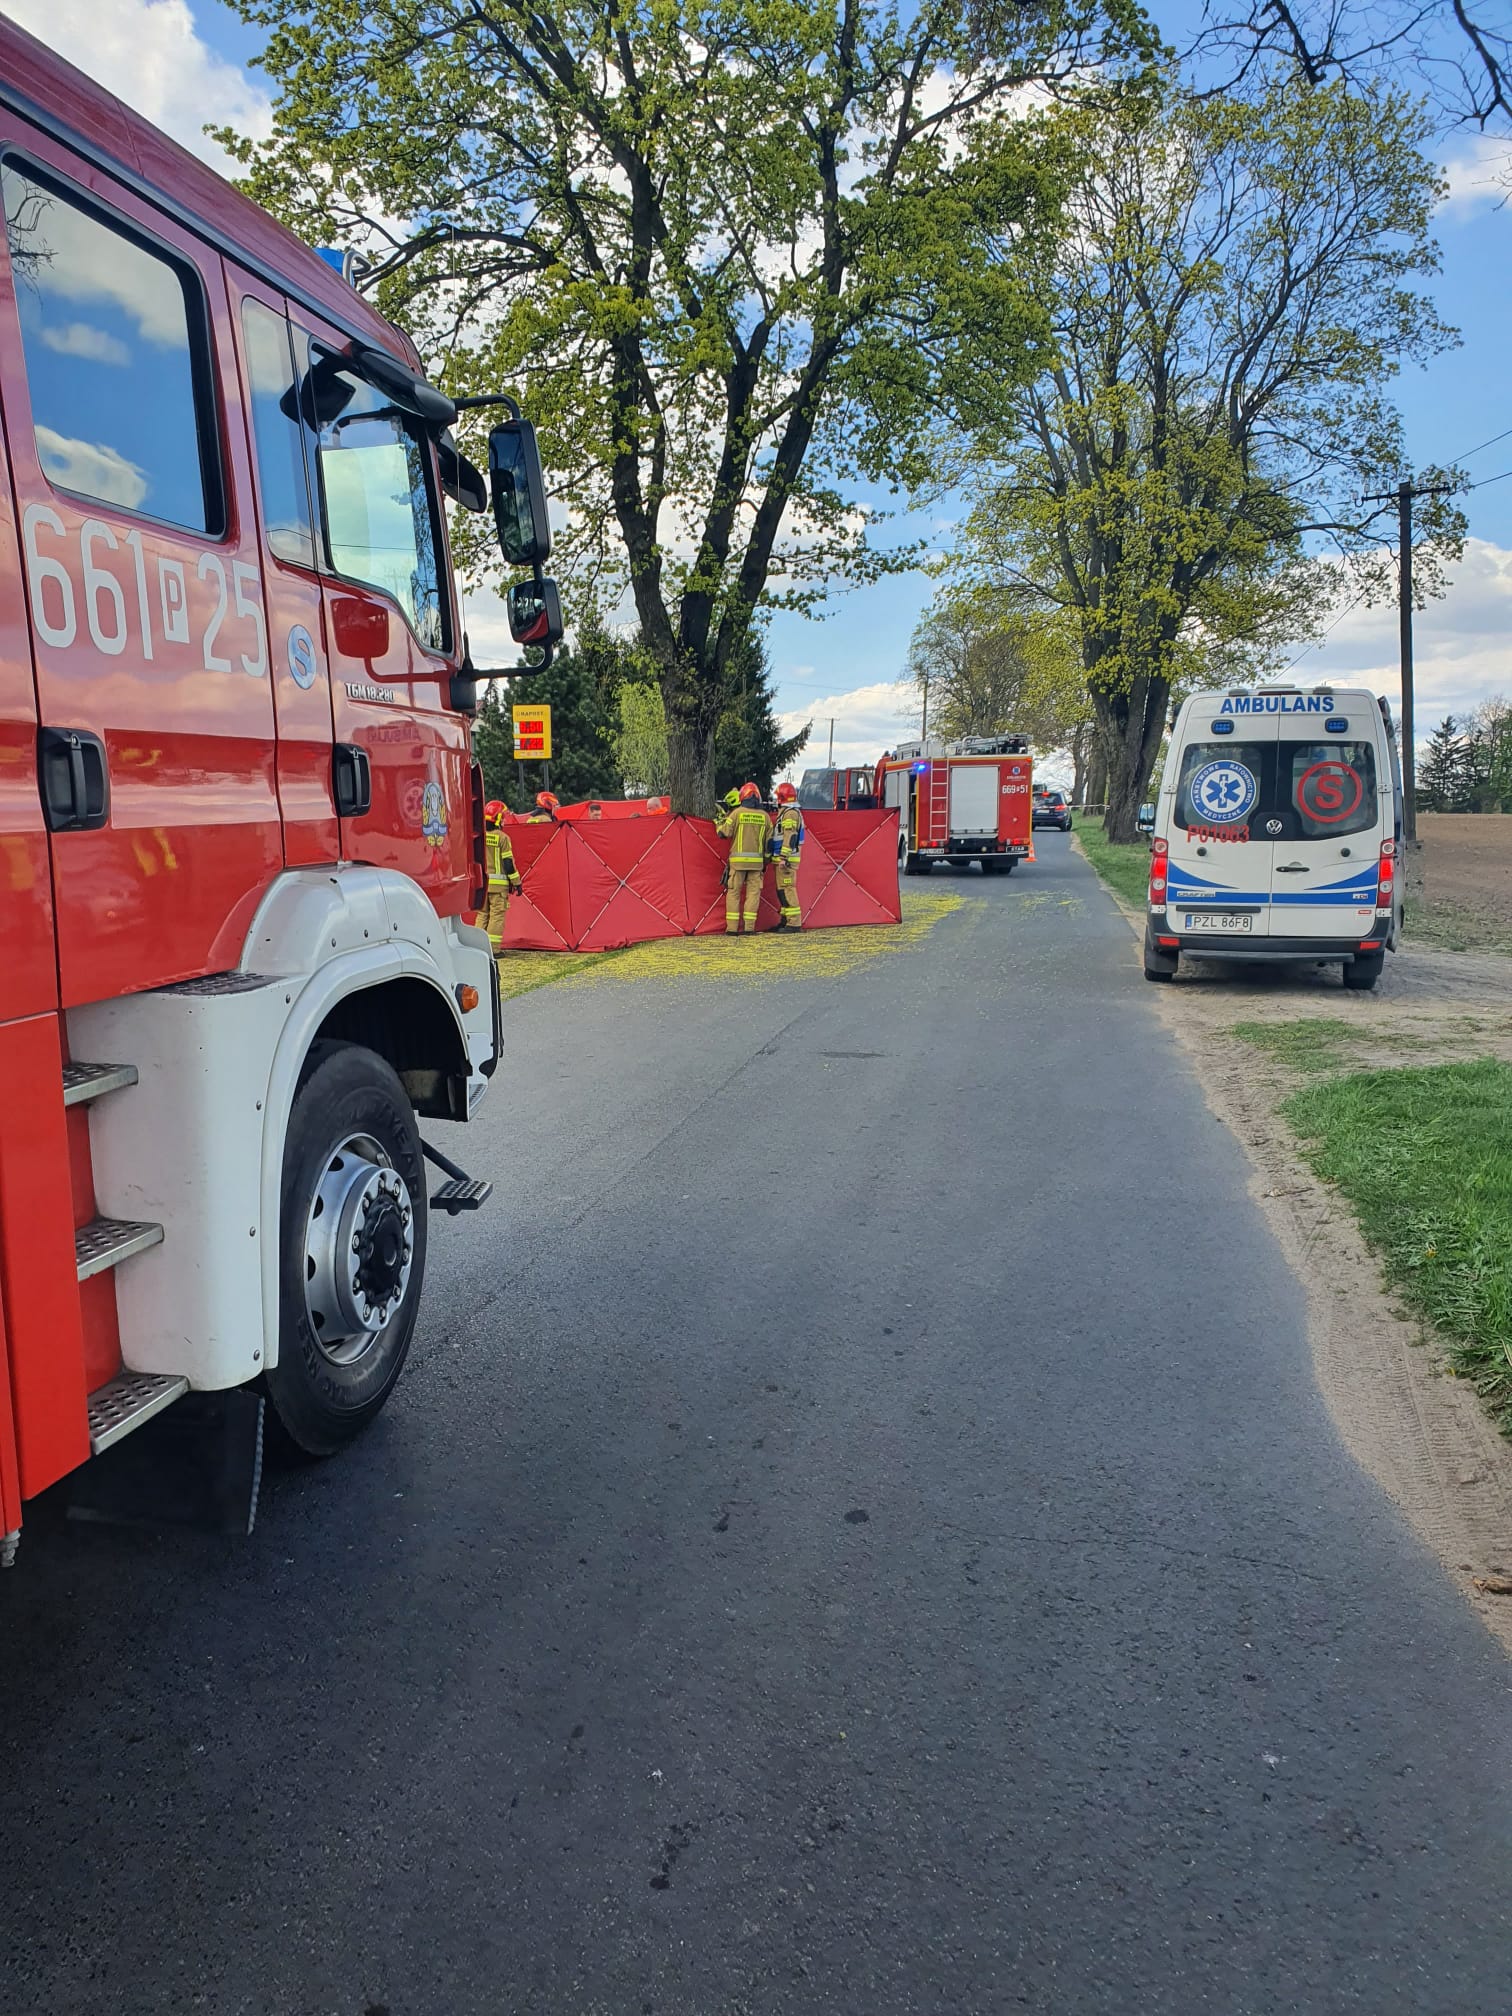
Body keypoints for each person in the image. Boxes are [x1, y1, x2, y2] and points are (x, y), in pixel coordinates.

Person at [715, 781, 771, 936]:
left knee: (734, 894)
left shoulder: (737, 813)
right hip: (757, 865)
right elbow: (769, 843)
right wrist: (766, 861)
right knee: (753, 895)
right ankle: (749, 929)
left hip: (737, 863)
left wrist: (718, 823)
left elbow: (723, 833)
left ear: (743, 796)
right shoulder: (765, 817)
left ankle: (732, 929)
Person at [480, 799, 522, 955]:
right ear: (497, 818)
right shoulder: (503, 838)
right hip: (498, 887)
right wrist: (517, 882)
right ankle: (493, 950)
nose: (504, 820)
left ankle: (479, 949)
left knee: (482, 915)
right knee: (497, 916)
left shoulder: (480, 836)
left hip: (483, 884)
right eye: (502, 817)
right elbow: (508, 864)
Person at [770, 779, 804, 930]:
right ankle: (785, 921)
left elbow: (790, 836)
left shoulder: (790, 814)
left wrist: (783, 857)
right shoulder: (788, 812)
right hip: (782, 859)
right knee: (782, 891)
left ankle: (794, 923)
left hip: (786, 860)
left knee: (787, 889)